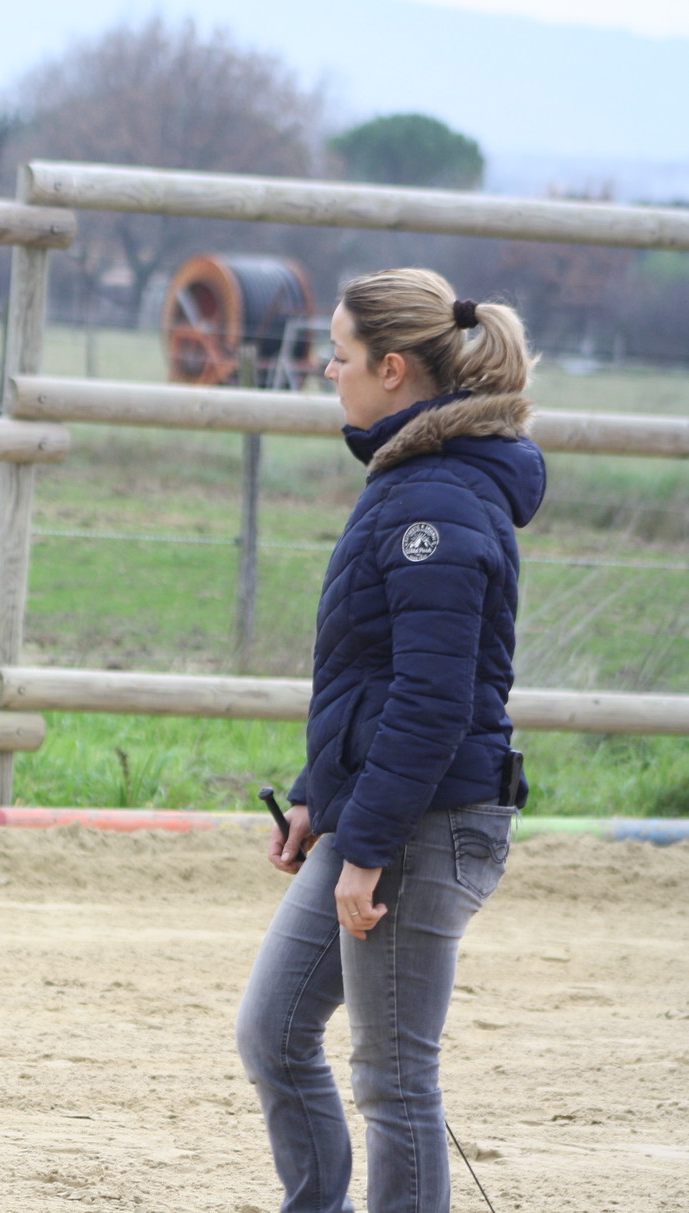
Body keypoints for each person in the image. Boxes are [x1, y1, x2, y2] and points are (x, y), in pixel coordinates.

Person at [235, 268, 546, 1213]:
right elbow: (372, 674)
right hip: (380, 809)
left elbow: (432, 700)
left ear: (394, 369)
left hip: (423, 821)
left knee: (394, 1076)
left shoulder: (433, 503)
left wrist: (364, 848)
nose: (328, 370)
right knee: (273, 1032)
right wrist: (316, 797)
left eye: (340, 355)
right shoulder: (412, 481)